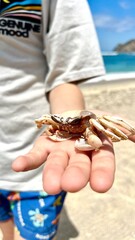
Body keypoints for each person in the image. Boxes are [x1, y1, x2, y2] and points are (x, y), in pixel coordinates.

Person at [1, 0, 135, 239]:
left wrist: (111, 130)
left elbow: (65, 77)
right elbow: (44, 122)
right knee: (4, 220)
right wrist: (53, 124)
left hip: (36, 173)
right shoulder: (53, 124)